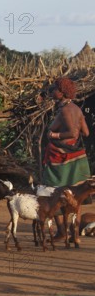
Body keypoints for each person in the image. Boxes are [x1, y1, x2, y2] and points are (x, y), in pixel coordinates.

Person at [42, 77, 91, 240]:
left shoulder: (65, 110)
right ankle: (74, 235)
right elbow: (86, 132)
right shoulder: (76, 108)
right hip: (77, 157)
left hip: (60, 158)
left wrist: (54, 134)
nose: (52, 92)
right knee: (75, 195)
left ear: (62, 92)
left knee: (53, 192)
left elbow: (72, 132)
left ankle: (62, 231)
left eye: (54, 89)